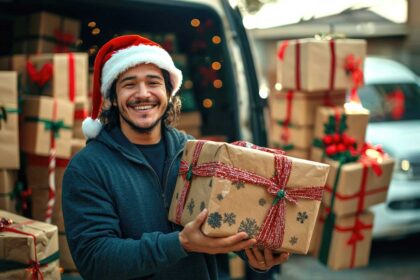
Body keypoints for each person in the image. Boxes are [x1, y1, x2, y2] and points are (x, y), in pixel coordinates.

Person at [62, 34, 289, 280]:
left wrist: (255, 252)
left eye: (153, 83)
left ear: (169, 92)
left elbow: (223, 221)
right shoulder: (88, 167)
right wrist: (181, 243)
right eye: (129, 84)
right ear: (113, 98)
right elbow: (95, 260)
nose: (143, 94)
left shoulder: (195, 153)